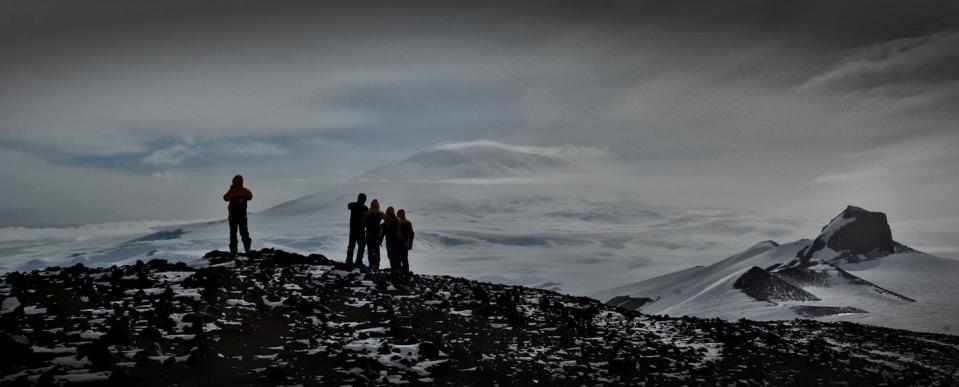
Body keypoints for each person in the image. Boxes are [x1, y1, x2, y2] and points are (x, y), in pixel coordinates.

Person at [222, 175, 253, 255]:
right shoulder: (245, 191)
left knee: (233, 234)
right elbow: (250, 196)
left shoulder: (232, 191)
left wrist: (232, 188)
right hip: (243, 216)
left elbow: (225, 198)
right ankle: (247, 249)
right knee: (244, 233)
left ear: (234, 181)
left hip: (233, 217)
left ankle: (233, 252)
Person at [346, 193, 368, 267]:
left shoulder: (361, 207)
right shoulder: (361, 207)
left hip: (357, 230)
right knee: (356, 246)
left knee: (354, 246)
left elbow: (349, 205)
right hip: (358, 230)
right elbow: (349, 205)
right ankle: (355, 261)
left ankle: (352, 261)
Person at [363, 199, 384, 272]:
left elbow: (387, 218)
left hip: (376, 235)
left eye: (376, 205)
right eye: (373, 204)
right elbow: (362, 220)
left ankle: (376, 266)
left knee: (376, 252)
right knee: (370, 252)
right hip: (369, 234)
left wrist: (382, 226)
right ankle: (371, 266)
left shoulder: (380, 213)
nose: (375, 206)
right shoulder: (368, 212)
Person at [382, 207, 402, 278]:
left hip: (392, 243)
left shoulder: (391, 221)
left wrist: (380, 240)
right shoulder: (396, 220)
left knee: (393, 258)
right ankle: (397, 273)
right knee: (395, 258)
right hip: (394, 243)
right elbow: (383, 232)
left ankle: (395, 273)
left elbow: (383, 232)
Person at [397, 209, 414, 275]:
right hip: (402, 242)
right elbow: (412, 234)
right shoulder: (407, 222)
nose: (398, 215)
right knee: (402, 257)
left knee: (402, 257)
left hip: (402, 242)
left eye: (399, 213)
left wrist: (409, 243)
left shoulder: (405, 222)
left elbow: (412, 233)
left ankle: (404, 271)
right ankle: (404, 271)